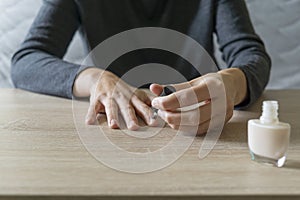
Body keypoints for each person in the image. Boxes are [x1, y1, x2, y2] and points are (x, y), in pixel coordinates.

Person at [11, 0, 271, 134]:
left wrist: (231, 85)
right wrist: (95, 80)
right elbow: (27, 60)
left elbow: (250, 54)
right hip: (114, 130)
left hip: (197, 129)